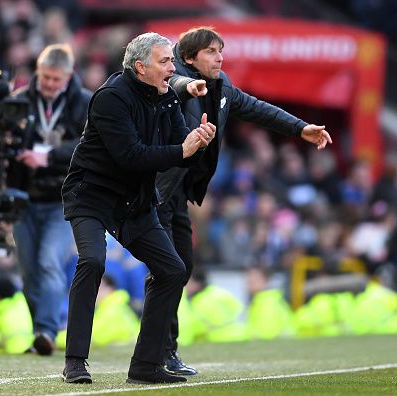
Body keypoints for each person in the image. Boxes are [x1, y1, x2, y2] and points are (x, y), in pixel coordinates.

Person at [155, 26, 332, 375]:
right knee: (168, 271)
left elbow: (260, 110)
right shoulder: (172, 83)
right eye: (210, 51)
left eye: (220, 50)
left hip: (179, 194)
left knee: (180, 269)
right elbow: (173, 87)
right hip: (157, 190)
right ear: (188, 58)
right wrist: (185, 85)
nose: (219, 57)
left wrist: (300, 128)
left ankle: (165, 351)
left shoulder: (224, 88)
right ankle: (157, 353)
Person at [60, 32, 215, 384]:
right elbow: (131, 156)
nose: (172, 68)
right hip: (92, 194)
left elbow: (180, 146)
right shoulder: (111, 97)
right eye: (165, 61)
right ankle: (74, 361)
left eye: (172, 61)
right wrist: (184, 150)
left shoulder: (167, 99)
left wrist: (199, 142)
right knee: (92, 260)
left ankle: (146, 365)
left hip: (134, 200)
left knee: (173, 269)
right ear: (140, 66)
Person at [6, 43, 92, 355]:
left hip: (62, 199)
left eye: (56, 79)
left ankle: (46, 331)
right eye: (45, 77)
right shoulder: (18, 103)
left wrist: (50, 155)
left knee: (48, 262)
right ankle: (40, 330)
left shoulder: (85, 104)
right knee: (28, 271)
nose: (50, 84)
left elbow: (90, 145)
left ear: (69, 76)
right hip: (24, 198)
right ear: (37, 72)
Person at [55, 275, 140, 350]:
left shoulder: (111, 311)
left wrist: (53, 339)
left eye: (98, 287)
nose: (93, 291)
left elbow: (85, 337)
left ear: (110, 289)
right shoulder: (116, 306)